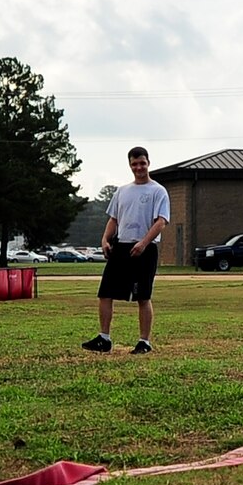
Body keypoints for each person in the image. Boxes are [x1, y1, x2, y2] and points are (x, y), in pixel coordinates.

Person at [83, 146, 170, 354]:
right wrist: (105, 239)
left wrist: (143, 243)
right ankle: (104, 338)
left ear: (148, 162)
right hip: (121, 247)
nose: (138, 167)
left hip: (145, 249)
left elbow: (161, 221)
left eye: (142, 163)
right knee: (105, 292)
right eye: (134, 164)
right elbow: (114, 218)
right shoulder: (122, 191)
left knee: (143, 296)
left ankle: (144, 342)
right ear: (130, 165)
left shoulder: (158, 191)